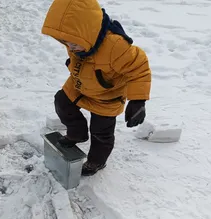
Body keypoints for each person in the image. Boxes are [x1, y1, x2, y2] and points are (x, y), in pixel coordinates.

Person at [41, 0, 152, 176]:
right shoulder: (77, 40)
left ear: (88, 32)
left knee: (101, 133)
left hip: (107, 95)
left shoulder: (116, 46)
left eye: (73, 43)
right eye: (66, 43)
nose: (70, 47)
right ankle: (77, 133)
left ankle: (96, 161)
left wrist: (138, 100)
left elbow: (139, 68)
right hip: (80, 84)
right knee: (62, 102)